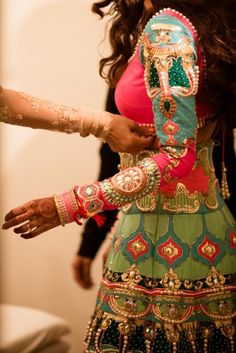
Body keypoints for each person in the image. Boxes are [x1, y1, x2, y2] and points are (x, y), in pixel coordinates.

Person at [2, 0, 236, 352]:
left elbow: (176, 157)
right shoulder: (166, 25)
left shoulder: (167, 31)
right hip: (155, 226)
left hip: (176, 237)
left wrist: (70, 205)